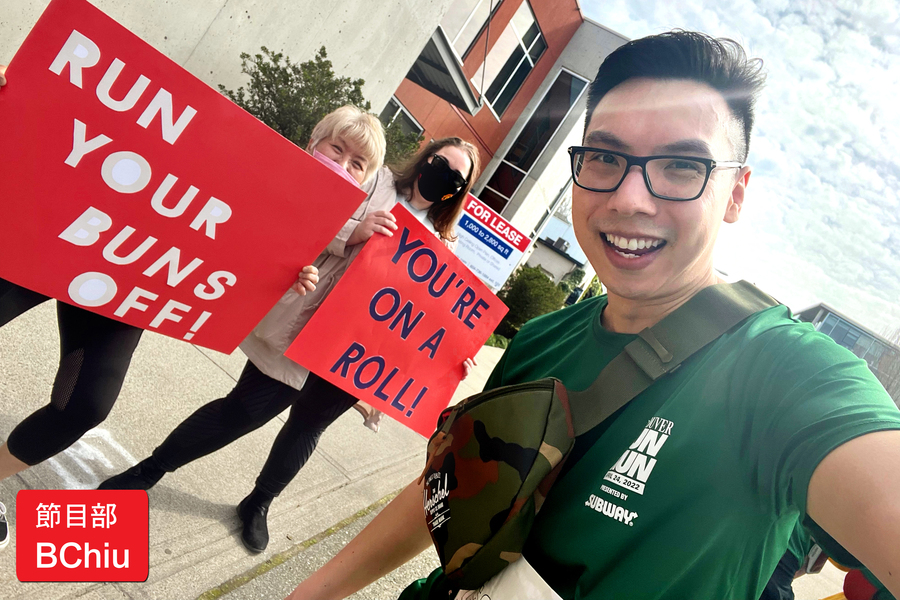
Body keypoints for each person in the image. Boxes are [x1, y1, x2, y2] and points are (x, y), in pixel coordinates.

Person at [283, 31, 900, 600]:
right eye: (605, 158)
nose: (630, 199)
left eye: (682, 167)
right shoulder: (542, 340)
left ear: (736, 193)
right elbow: (453, 488)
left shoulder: (789, 374)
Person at [100, 135, 482, 554]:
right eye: (439, 161)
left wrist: (450, 352)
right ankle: (150, 470)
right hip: (307, 324)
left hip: (355, 354)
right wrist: (355, 231)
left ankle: (259, 502)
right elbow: (308, 216)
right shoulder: (377, 183)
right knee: (243, 410)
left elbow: (432, 315)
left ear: (461, 191)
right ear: (425, 157)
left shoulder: (446, 246)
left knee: (307, 428)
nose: (442, 174)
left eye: (455, 176)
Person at [0, 63, 145, 552]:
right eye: (337, 147)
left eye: (359, 161)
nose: (345, 161)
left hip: (128, 275)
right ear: (314, 141)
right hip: (51, 228)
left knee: (85, 403)